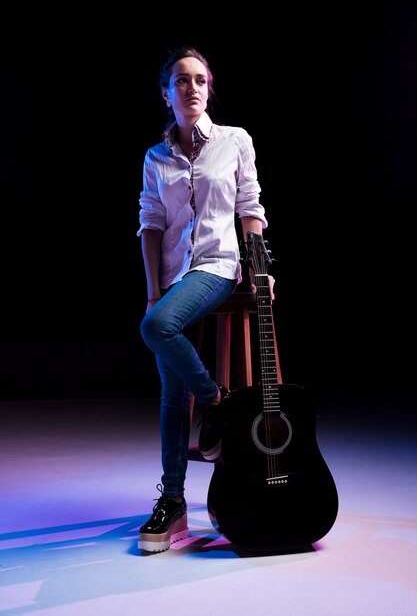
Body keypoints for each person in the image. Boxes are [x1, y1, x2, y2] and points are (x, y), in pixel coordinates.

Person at [137, 45, 275, 553]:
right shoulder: (156, 156)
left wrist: (259, 266)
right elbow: (150, 223)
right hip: (174, 276)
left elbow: (250, 206)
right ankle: (173, 501)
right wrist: (153, 290)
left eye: (199, 79)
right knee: (170, 382)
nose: (191, 87)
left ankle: (217, 403)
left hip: (219, 267)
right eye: (180, 80)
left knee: (157, 330)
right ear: (166, 93)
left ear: (209, 88)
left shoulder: (234, 140)